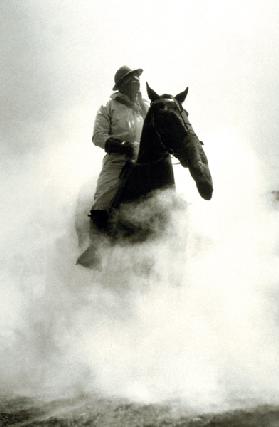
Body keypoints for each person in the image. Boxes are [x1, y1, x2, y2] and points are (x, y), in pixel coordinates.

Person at [76, 65, 149, 268]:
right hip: (118, 160)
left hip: (146, 159)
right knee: (103, 196)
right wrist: (123, 146)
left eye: (137, 78)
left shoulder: (145, 105)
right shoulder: (107, 107)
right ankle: (96, 249)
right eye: (131, 78)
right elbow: (98, 136)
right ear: (122, 85)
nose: (136, 81)